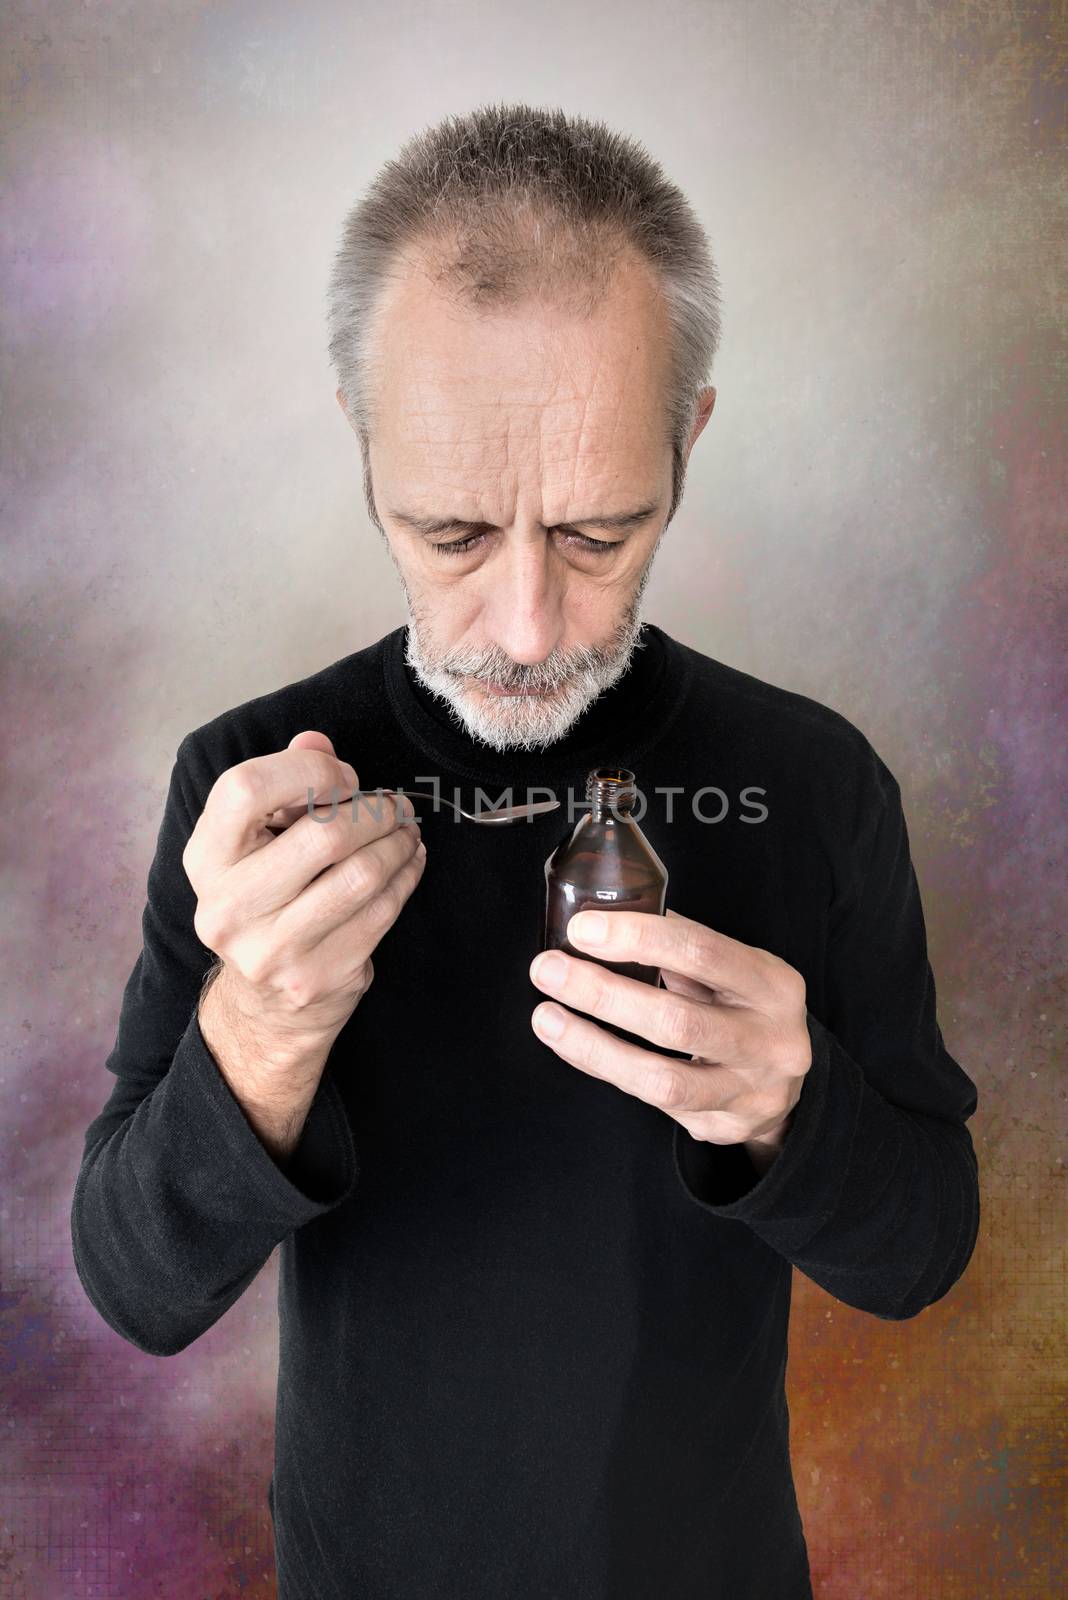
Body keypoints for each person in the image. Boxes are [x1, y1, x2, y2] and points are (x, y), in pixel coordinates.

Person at [70, 103, 980, 1600]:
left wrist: (789, 1108)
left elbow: (920, 1250)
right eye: (450, 534)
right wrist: (260, 1031)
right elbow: (137, 1290)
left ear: (689, 435)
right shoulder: (251, 792)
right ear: (363, 437)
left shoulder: (812, 783)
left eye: (596, 535)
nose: (525, 631)